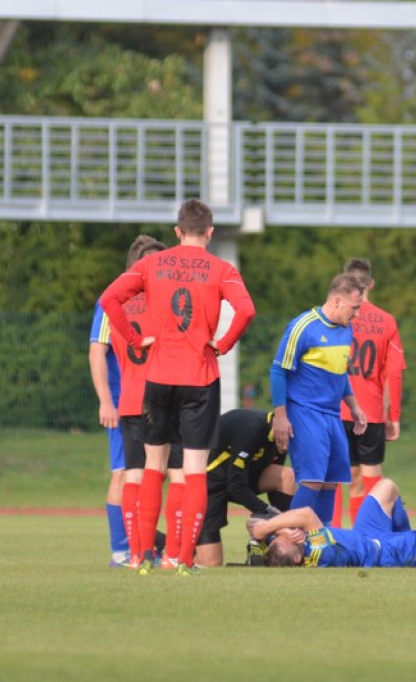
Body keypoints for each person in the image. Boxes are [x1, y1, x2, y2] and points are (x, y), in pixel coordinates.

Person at [100, 198, 256, 575]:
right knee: (193, 470)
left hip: (158, 378)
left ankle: (140, 557)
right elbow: (247, 310)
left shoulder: (152, 263)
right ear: (210, 232)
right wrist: (222, 344)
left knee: (152, 465)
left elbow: (109, 300)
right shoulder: (222, 269)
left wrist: (136, 341)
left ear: (176, 231)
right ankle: (181, 557)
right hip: (200, 378)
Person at [104, 235, 186, 570]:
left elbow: (108, 348)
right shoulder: (165, 305)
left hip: (130, 400)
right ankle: (175, 554)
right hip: (164, 397)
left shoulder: (117, 309)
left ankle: (137, 553)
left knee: (132, 476)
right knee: (178, 474)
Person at [269, 273, 368, 526]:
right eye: (354, 308)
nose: (357, 314)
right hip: (304, 411)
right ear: (336, 301)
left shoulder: (347, 330)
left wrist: (354, 406)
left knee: (330, 482)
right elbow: (278, 370)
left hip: (332, 414)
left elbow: (339, 371)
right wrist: (281, 417)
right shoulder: (304, 326)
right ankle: (292, 539)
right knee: (312, 478)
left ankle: (321, 542)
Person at [247, 478, 416, 569]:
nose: (293, 535)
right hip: (383, 552)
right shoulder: (320, 554)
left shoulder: (287, 550)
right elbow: (304, 515)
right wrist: (267, 530)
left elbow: (253, 522)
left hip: (364, 535)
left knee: (387, 487)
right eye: (291, 539)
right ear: (296, 559)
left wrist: (274, 532)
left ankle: (405, 537)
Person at [338, 258, 407, 525]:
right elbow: (394, 374)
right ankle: (368, 536)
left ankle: (334, 535)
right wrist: (394, 416)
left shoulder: (335, 316)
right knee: (373, 483)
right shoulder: (386, 321)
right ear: (371, 283)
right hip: (371, 412)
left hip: (338, 410)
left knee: (342, 480)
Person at [195, 408, 297, 567]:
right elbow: (235, 485)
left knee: (287, 476)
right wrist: (268, 512)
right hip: (210, 484)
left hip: (240, 479)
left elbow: (274, 488)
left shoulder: (283, 438)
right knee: (211, 563)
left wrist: (273, 524)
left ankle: (271, 546)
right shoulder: (252, 427)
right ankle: (168, 547)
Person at [88, 281, 129, 567]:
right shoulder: (112, 300)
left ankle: (141, 546)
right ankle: (120, 550)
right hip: (123, 402)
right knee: (123, 472)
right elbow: (97, 350)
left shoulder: (160, 297)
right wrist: (106, 400)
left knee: (151, 474)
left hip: (153, 402)